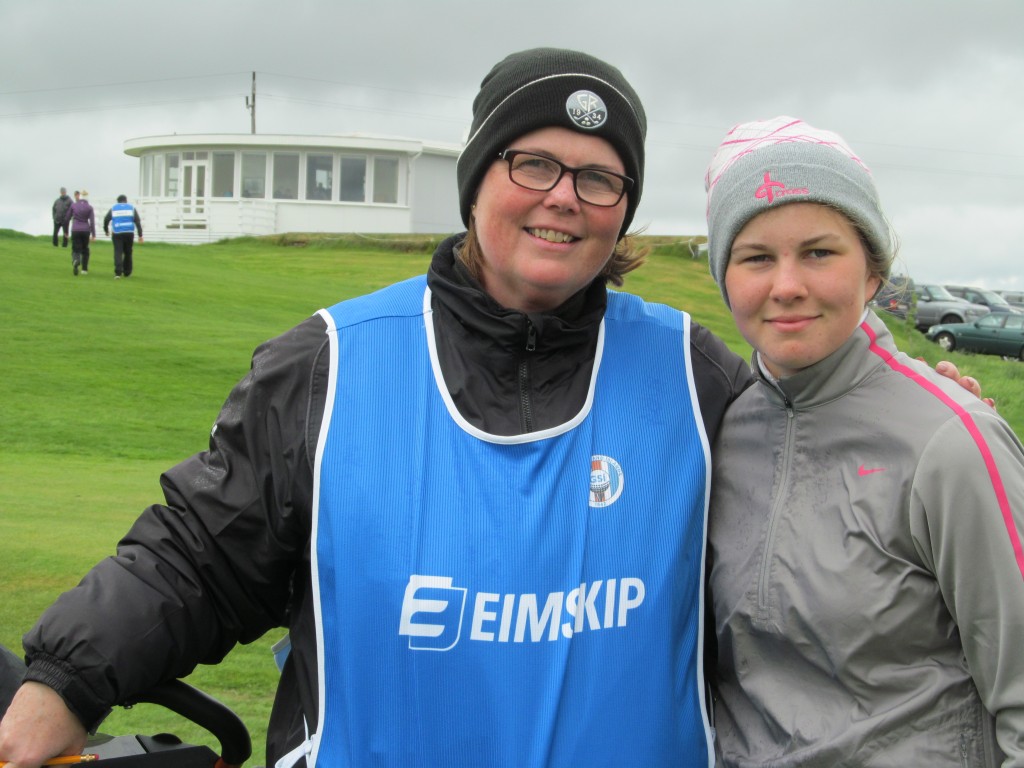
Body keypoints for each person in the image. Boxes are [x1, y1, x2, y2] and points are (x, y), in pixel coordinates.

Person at [0, 48, 752, 768]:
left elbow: (793, 573)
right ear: (476, 179)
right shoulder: (327, 364)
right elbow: (204, 554)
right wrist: (65, 682)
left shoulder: (696, 376)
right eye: (533, 164)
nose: (564, 196)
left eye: (599, 179)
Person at [703, 116, 1024, 766]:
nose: (786, 285)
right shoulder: (717, 432)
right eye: (756, 257)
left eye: (819, 252)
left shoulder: (953, 443)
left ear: (873, 272)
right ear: (724, 277)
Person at [103, 195, 143, 279]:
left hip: (117, 232)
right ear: (126, 200)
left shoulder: (114, 208)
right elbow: (137, 221)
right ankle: (127, 272)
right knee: (128, 252)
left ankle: (118, 272)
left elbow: (106, 219)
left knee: (118, 251)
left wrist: (106, 230)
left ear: (118, 201)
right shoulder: (131, 208)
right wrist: (140, 235)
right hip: (129, 232)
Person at [64, 190, 95, 276]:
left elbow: (67, 218)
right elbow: (92, 222)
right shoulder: (89, 207)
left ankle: (76, 260)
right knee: (85, 250)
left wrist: (66, 231)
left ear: (80, 196)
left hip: (75, 229)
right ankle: (84, 269)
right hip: (85, 230)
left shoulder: (73, 205)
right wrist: (93, 234)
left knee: (75, 249)